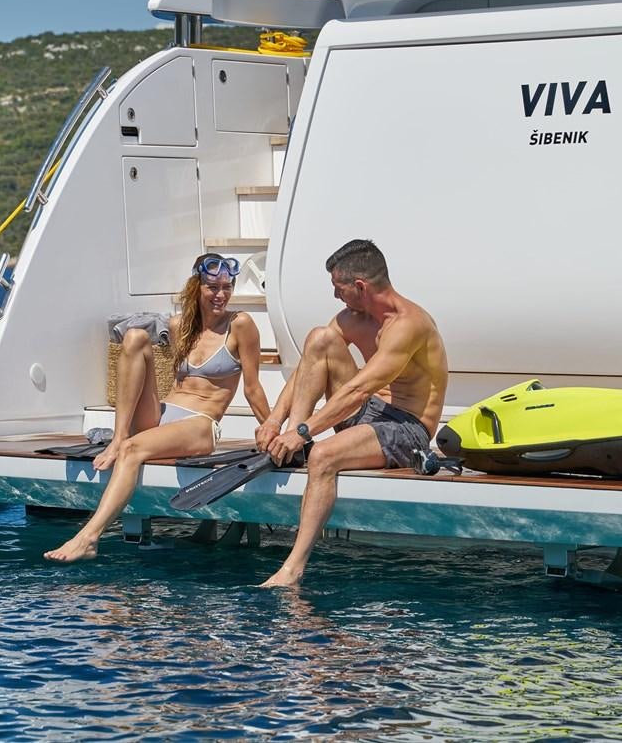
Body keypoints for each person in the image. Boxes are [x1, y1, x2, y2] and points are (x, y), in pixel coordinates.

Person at [44, 253, 271, 563]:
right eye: (212, 287)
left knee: (133, 451)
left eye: (226, 288)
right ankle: (118, 436)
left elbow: (253, 387)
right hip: (164, 413)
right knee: (135, 337)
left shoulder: (240, 324)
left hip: (201, 424)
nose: (221, 295)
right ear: (196, 287)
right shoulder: (180, 326)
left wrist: (273, 431)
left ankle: (89, 537)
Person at [254, 239, 447, 588]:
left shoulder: (408, 325)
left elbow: (358, 390)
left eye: (338, 288)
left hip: (407, 428)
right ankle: (294, 447)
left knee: (325, 456)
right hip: (370, 413)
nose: (335, 297)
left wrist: (303, 431)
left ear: (360, 287)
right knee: (319, 338)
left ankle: (293, 568)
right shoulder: (355, 319)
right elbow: (307, 368)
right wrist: (274, 421)